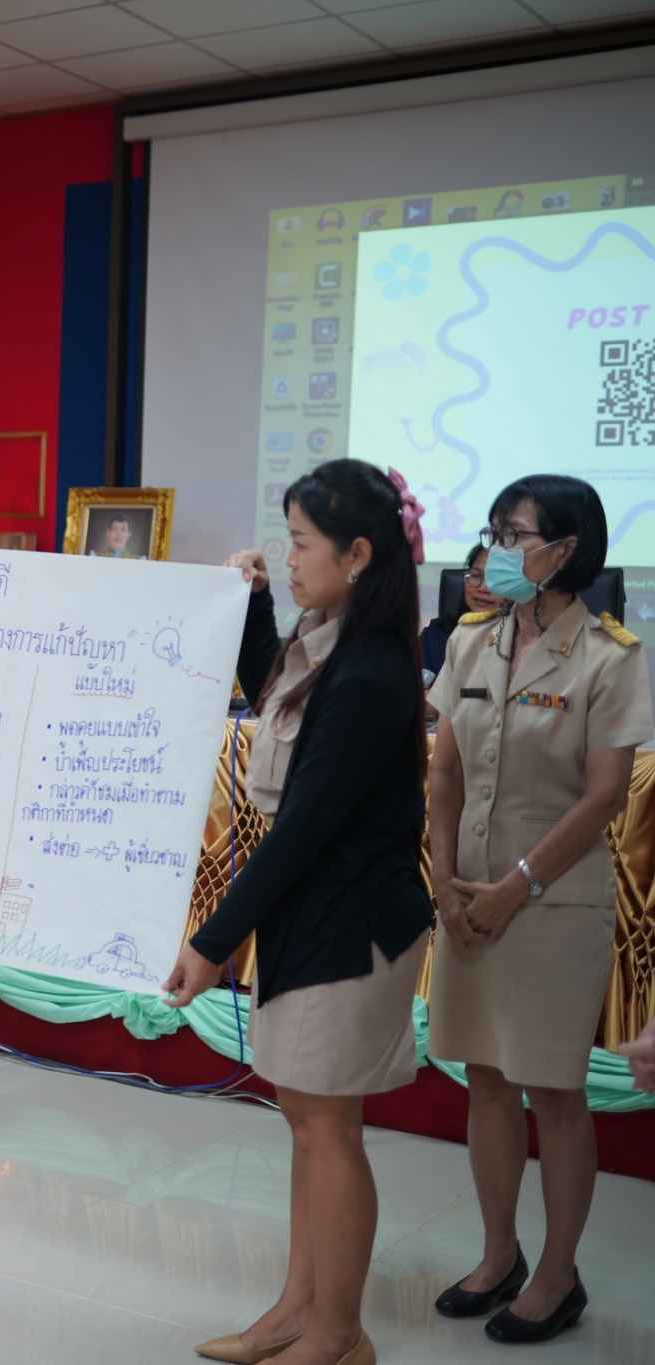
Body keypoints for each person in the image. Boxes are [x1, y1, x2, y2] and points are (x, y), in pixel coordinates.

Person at [165, 459, 432, 1365]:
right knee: (306, 1122)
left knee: (329, 1130)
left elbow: (302, 830)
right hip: (310, 917)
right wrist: (250, 613)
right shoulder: (326, 638)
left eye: (302, 543)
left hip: (351, 927)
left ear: (358, 553)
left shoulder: (371, 672)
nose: (290, 558)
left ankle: (337, 1334)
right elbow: (271, 697)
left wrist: (209, 942)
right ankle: (295, 1308)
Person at [425, 474, 652, 1344]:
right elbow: (443, 767)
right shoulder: (473, 642)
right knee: (484, 1078)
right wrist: (445, 878)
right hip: (468, 899)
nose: (496, 548)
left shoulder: (609, 655)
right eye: (493, 529)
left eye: (515, 532)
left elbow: (603, 797)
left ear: (564, 550)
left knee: (553, 1093)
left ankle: (558, 1275)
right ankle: (497, 1255)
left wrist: (515, 884)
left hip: (552, 904)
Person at [420, 543, 501, 680]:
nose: (483, 588)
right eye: (476, 575)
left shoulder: (518, 639)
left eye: (495, 578)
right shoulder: (435, 634)